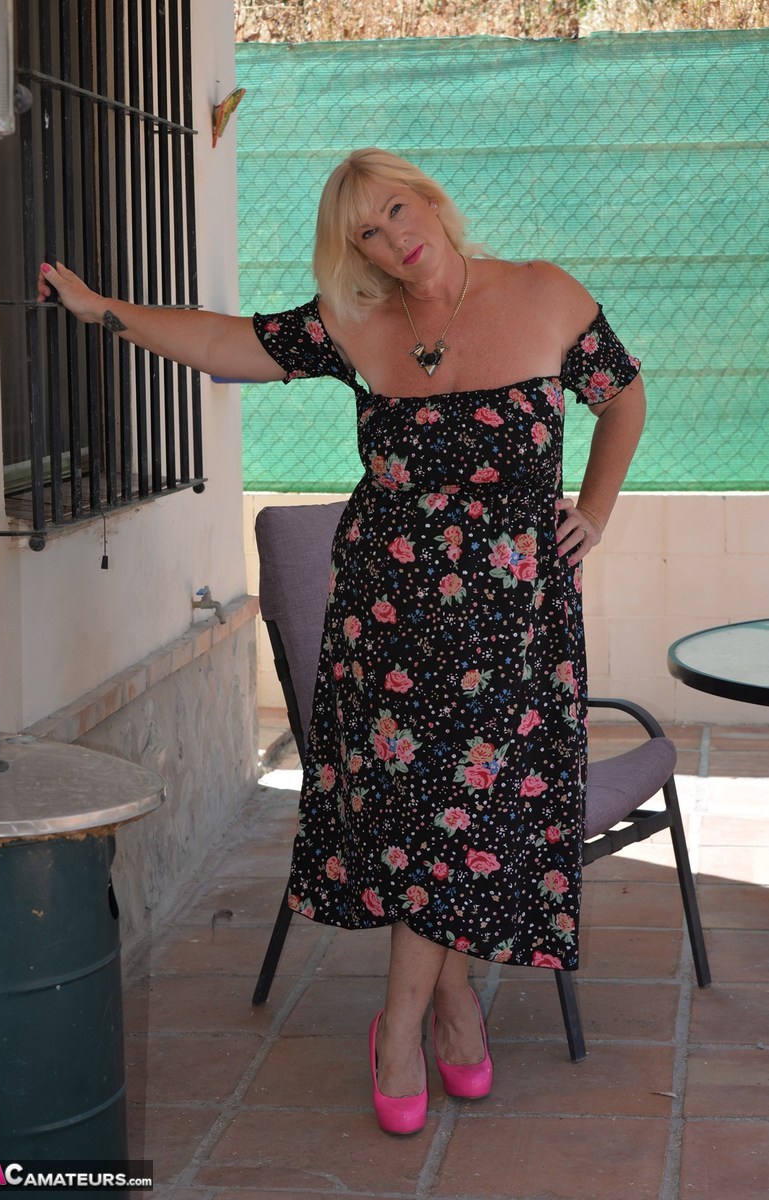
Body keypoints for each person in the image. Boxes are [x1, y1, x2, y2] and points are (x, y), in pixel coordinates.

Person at [38, 146, 645, 1135]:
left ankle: (415, 1018)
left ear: (429, 201)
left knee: (462, 821)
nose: (391, 238)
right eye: (366, 230)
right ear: (354, 249)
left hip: (517, 630)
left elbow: (622, 395)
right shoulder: (353, 323)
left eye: (396, 209)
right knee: (434, 822)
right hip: (389, 630)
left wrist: (597, 509)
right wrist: (103, 309)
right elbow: (226, 340)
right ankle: (433, 1017)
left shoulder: (544, 294)